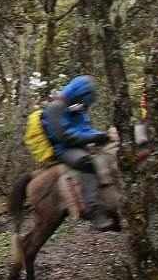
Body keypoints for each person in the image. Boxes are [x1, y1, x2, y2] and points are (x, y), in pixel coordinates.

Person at [40, 75, 111, 228]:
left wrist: (100, 135)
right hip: (65, 149)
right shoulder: (55, 107)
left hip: (81, 144)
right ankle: (94, 210)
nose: (85, 103)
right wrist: (92, 138)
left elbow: (85, 128)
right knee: (87, 163)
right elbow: (64, 136)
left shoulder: (77, 106)